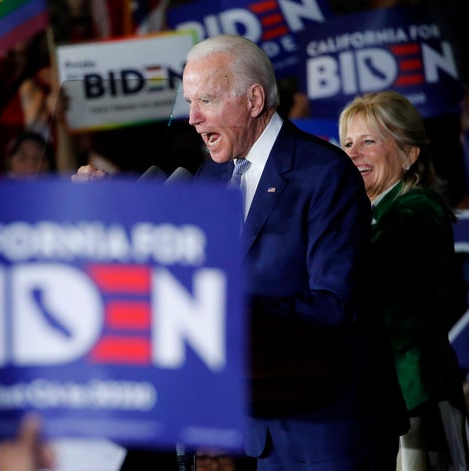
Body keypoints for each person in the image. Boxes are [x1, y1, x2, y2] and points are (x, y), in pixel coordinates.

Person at [75, 33, 403, 469]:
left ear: (253, 99)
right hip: (251, 430)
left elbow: (336, 307)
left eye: (206, 101)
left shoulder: (323, 174)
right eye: (189, 102)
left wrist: (223, 310)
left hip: (327, 429)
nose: (193, 118)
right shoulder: (211, 176)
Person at [339, 90, 469, 469]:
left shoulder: (418, 210)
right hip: (382, 397)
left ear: (409, 154)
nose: (353, 153)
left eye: (369, 141)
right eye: (347, 143)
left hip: (415, 396)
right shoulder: (370, 213)